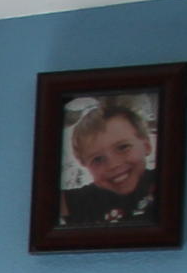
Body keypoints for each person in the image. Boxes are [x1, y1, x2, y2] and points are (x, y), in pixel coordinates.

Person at [59, 96, 160, 229]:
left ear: (147, 146)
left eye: (123, 147)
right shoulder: (85, 201)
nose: (113, 164)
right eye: (98, 159)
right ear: (84, 164)